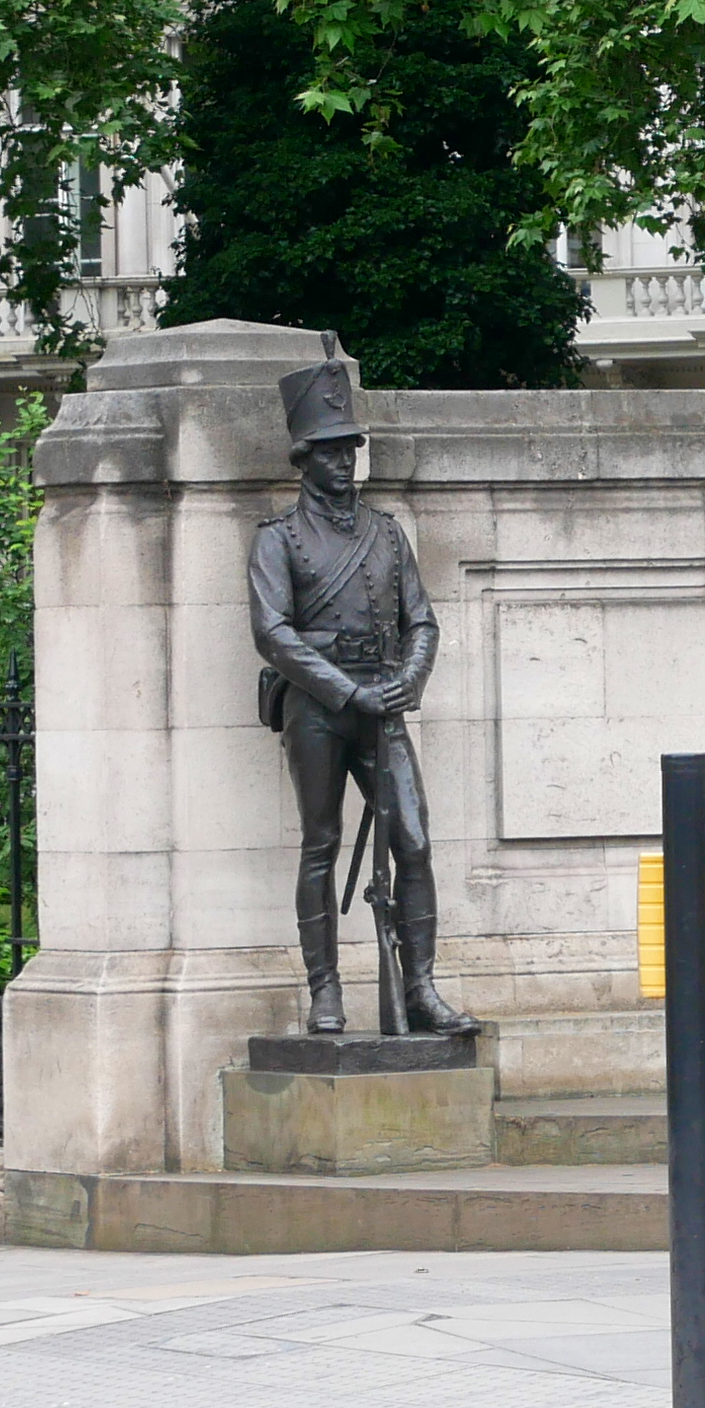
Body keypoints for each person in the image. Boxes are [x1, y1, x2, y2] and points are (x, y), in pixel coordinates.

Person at [247, 339, 478, 1036]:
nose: (345, 461)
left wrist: (408, 679)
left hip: (387, 704)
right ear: (304, 459)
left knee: (412, 838)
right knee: (320, 843)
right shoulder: (278, 539)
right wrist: (349, 693)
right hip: (320, 709)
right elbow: (272, 632)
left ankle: (422, 989)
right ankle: (325, 991)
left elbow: (423, 620)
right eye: (330, 449)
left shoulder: (385, 532)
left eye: (350, 447)